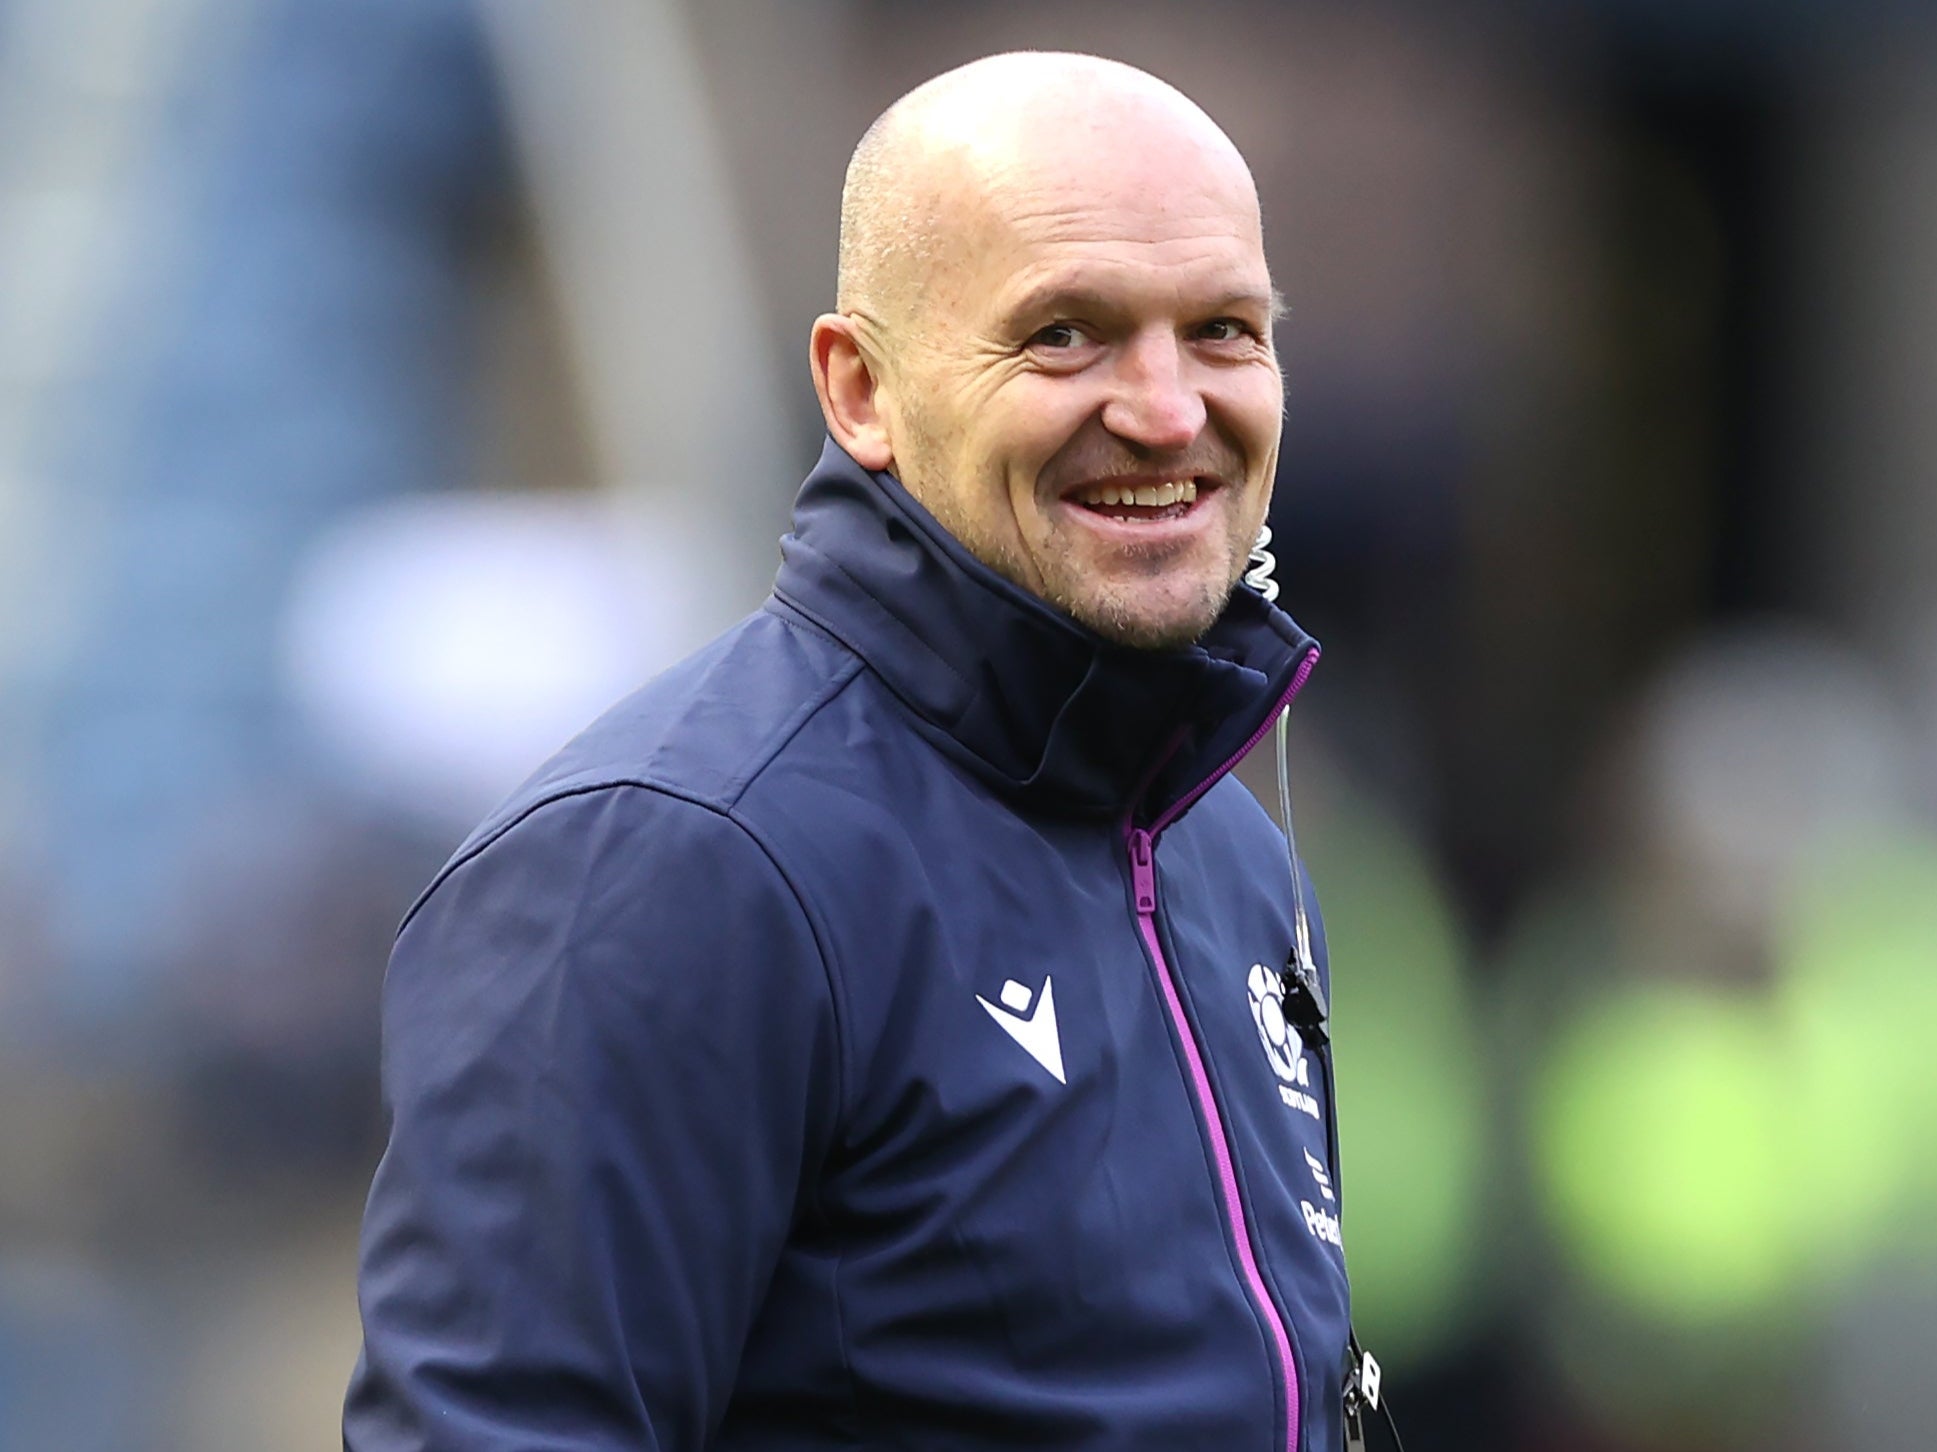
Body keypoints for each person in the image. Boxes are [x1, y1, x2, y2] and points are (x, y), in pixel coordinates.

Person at [345, 51, 1357, 1452]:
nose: (1168, 409)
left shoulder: (1226, 852)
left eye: (1224, 331)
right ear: (860, 390)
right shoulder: (669, 859)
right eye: (1063, 333)